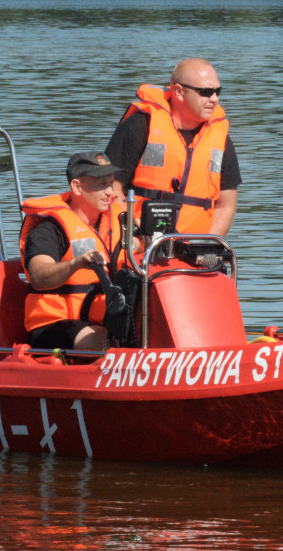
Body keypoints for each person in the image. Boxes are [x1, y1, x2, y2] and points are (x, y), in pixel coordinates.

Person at [105, 58, 240, 236]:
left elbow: (226, 204)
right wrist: (133, 229)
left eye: (217, 91)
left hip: (195, 250)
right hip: (139, 242)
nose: (214, 99)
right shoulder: (139, 125)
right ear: (179, 91)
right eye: (205, 92)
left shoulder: (219, 136)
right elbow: (110, 186)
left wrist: (208, 244)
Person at [19, 151, 130, 350]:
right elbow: (38, 275)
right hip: (53, 325)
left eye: (111, 184)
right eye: (102, 185)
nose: (111, 193)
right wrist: (76, 263)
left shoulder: (118, 223)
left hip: (105, 320)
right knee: (100, 341)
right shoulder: (49, 229)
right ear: (77, 187)